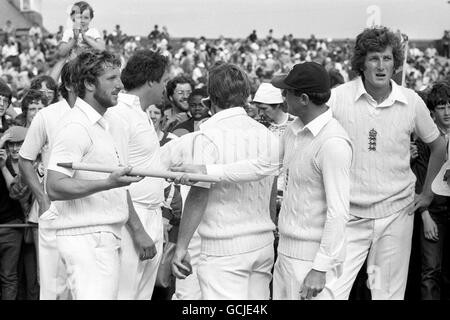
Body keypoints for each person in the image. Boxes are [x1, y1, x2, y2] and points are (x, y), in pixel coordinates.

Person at [326, 26, 447, 300]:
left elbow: (439, 146)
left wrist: (428, 193)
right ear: (361, 63)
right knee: (328, 293)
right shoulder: (338, 98)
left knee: (387, 295)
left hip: (396, 215)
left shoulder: (411, 101)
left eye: (387, 58)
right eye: (374, 58)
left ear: (396, 63)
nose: (381, 66)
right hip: (348, 215)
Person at [170, 63, 279, 300]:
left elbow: (199, 194)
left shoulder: (207, 136)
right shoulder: (266, 134)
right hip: (262, 243)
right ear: (246, 96)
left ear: (211, 99)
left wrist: (181, 247)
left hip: (224, 248)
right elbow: (271, 192)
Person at [45, 50, 143, 300]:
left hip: (101, 236)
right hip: (87, 238)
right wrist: (108, 183)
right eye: (111, 78)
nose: (120, 85)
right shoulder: (75, 126)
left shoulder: (107, 122)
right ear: (89, 84)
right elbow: (54, 186)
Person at [270, 62, 352, 300]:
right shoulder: (293, 130)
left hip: (310, 262)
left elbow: (338, 212)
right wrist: (207, 170)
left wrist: (320, 268)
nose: (283, 97)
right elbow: (263, 166)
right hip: (286, 254)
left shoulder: (333, 142)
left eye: (287, 92)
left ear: (303, 99)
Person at [106, 49, 170, 300]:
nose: (166, 87)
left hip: (151, 215)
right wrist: (138, 229)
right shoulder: (120, 113)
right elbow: (116, 178)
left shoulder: (142, 113)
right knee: (123, 295)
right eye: (164, 80)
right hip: (131, 219)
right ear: (151, 80)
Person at [18, 61, 77, 300]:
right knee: (52, 287)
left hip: (89, 212)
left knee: (85, 288)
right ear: (74, 84)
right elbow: (24, 159)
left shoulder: (103, 116)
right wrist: (42, 198)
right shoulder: (47, 115)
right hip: (54, 210)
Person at [417, 82, 450, 300]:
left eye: (449, 105)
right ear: (432, 112)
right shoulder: (424, 141)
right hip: (433, 213)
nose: (447, 112)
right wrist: (425, 215)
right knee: (430, 271)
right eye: (441, 107)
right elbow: (417, 181)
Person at [0, 126, 26, 300]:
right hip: (10, 225)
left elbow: (17, 193)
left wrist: (3, 166)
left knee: (9, 277)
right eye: (10, 144)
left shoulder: (20, 166)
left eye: (19, 144)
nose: (14, 148)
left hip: (11, 226)